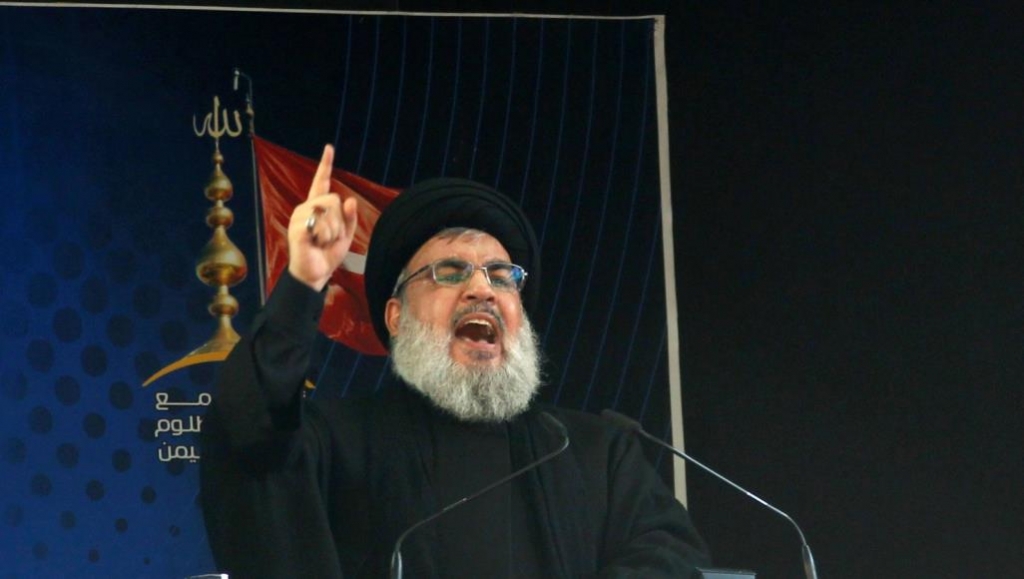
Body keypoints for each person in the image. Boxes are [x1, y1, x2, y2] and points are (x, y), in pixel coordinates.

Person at [200, 145, 710, 578]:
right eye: (449, 271)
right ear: (396, 317)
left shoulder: (596, 452)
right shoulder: (337, 442)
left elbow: (671, 557)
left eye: (502, 275)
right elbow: (248, 428)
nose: (481, 289)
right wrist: (303, 283)